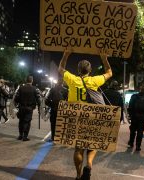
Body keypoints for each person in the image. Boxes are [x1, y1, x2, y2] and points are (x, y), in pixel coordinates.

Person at [59, 47, 112, 180]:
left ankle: (78, 174)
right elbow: (109, 72)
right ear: (90, 70)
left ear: (78, 70)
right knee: (93, 144)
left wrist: (66, 55)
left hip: (76, 118)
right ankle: (88, 164)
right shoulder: (94, 81)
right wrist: (104, 58)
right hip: (93, 117)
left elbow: (60, 69)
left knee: (78, 148)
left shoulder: (72, 79)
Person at [14, 75, 41, 141]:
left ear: (26, 80)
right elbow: (38, 99)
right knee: (27, 122)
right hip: (30, 108)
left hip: (21, 107)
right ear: (32, 80)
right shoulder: (35, 89)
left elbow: (16, 98)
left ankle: (20, 135)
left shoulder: (21, 88)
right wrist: (39, 107)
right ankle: (25, 136)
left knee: (21, 121)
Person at [127, 84, 144, 151]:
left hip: (134, 117)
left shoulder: (134, 96)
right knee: (140, 132)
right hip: (142, 117)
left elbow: (130, 106)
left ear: (140, 89)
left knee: (133, 131)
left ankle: (131, 143)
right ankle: (138, 146)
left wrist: (130, 116)